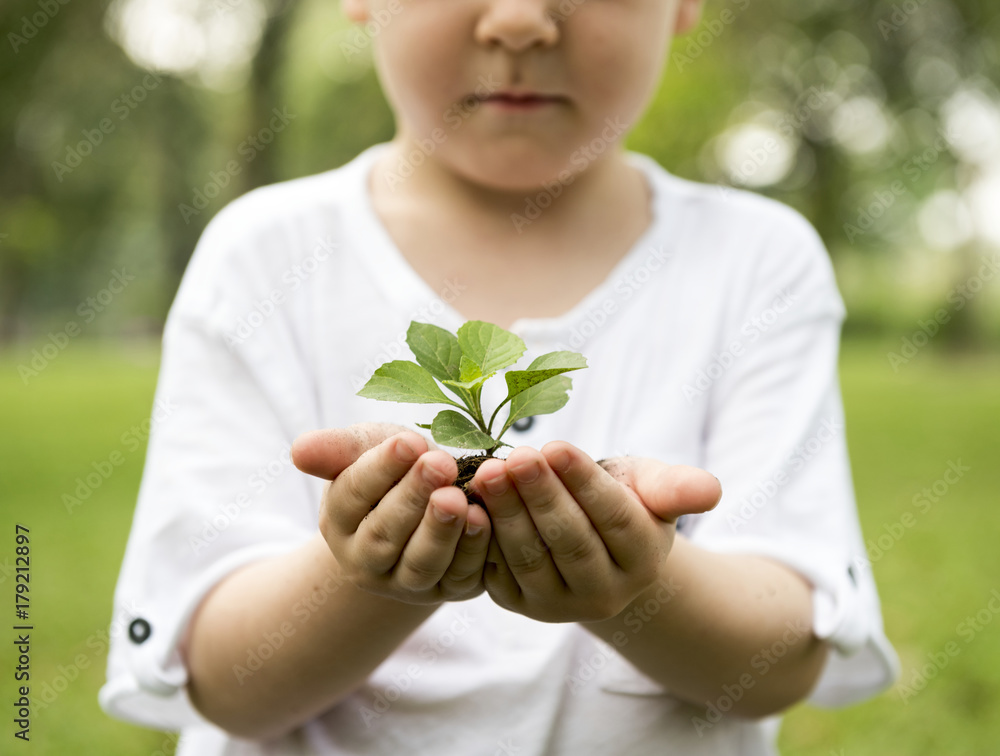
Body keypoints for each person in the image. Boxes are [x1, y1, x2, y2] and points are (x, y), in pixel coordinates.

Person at [100, 0, 899, 753]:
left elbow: (784, 656)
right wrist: (363, 576)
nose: (520, 22)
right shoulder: (262, 260)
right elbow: (222, 678)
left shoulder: (757, 264)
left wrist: (641, 585)